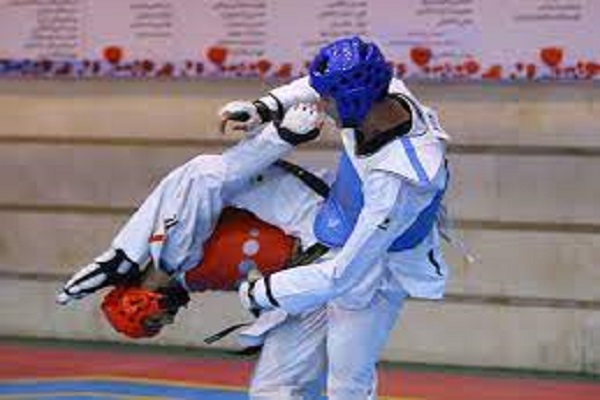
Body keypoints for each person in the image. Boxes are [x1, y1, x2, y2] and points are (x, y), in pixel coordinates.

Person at [221, 36, 451, 399]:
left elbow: (343, 275)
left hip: (375, 271)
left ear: (355, 99)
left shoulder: (402, 179)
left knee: (347, 385)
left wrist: (261, 292)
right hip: (336, 226)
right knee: (275, 386)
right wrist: (265, 107)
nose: (320, 104)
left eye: (327, 99)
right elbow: (316, 87)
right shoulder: (385, 93)